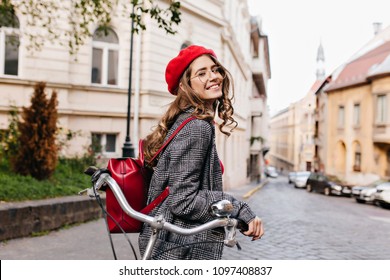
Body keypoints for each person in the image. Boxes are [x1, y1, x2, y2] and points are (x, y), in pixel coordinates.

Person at [138, 45, 264, 260]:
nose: (214, 77)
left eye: (215, 70)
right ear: (187, 85)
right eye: (202, 73)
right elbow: (183, 200)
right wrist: (239, 208)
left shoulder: (184, 121)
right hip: (179, 249)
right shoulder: (197, 127)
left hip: (167, 242)